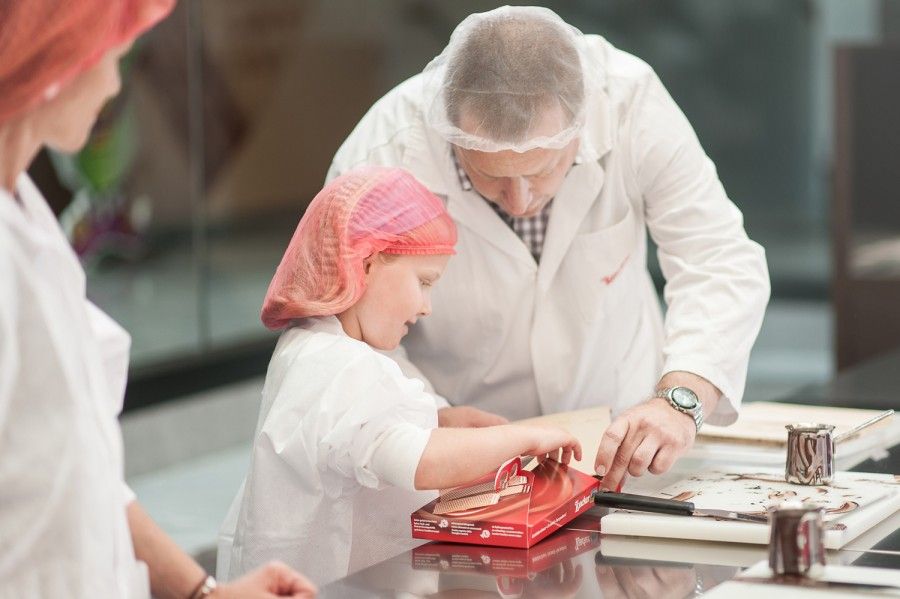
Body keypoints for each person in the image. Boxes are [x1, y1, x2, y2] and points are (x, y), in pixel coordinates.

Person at [328, 6, 771, 492]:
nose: (519, 202)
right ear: (452, 136)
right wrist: (427, 414)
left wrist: (680, 399)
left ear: (581, 125)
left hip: (620, 444)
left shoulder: (628, 103)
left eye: (542, 171)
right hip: (455, 458)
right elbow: (340, 328)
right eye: (490, 177)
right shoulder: (385, 150)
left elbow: (718, 257)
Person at [0, 1, 316, 597]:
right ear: (57, 62)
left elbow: (84, 477)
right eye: (114, 58)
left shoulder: (29, 219)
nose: (116, 84)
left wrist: (204, 593)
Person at [216, 166, 581, 586]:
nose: (427, 306)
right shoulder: (345, 368)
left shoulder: (311, 344)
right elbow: (420, 463)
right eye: (423, 281)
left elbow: (353, 438)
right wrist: (527, 438)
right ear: (366, 263)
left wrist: (441, 419)